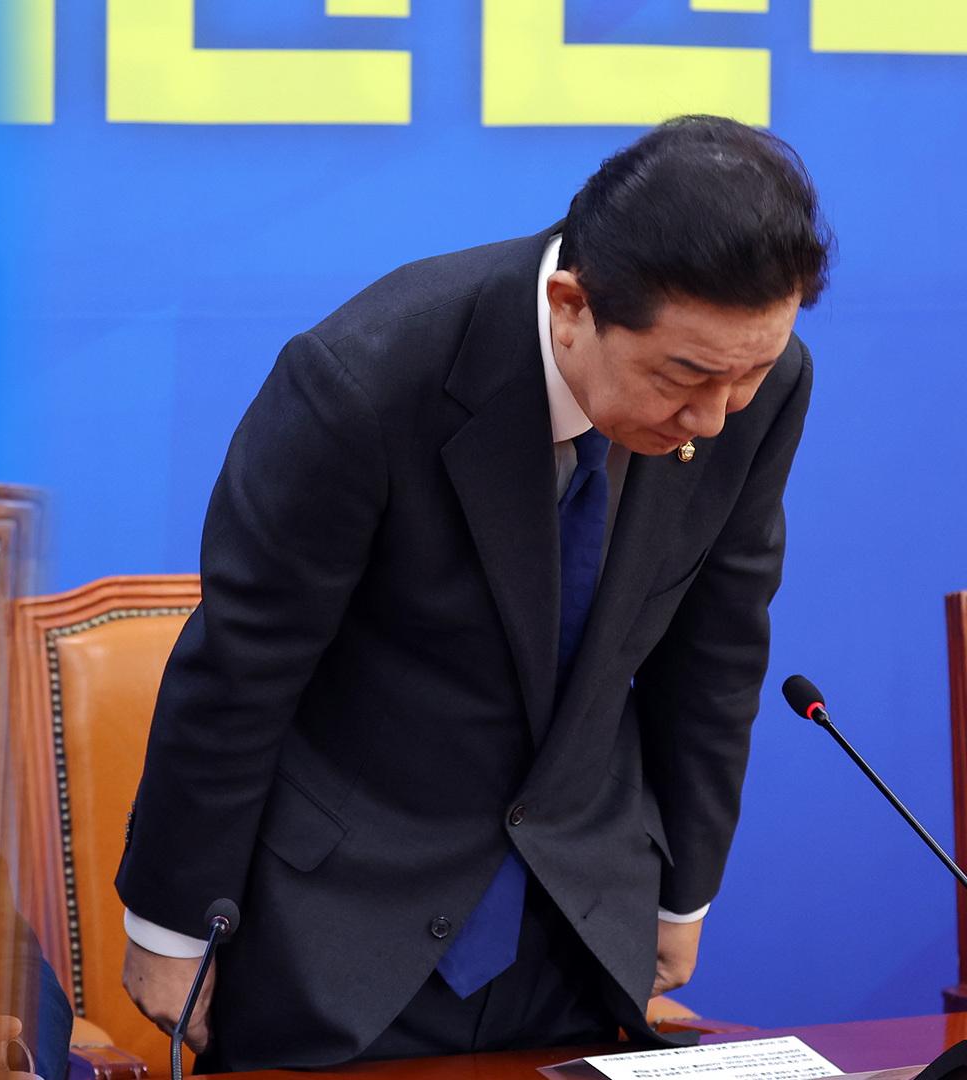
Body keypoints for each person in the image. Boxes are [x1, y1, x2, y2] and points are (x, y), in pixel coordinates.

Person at [116, 116, 830, 1067]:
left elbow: (717, 646)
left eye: (748, 374)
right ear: (572, 306)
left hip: (579, 932)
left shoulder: (759, 387)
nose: (712, 417)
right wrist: (173, 927)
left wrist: (681, 894)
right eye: (685, 377)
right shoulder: (365, 378)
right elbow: (242, 668)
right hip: (340, 933)